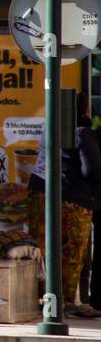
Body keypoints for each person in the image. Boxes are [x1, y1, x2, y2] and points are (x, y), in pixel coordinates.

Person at [27, 107, 101, 320]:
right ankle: (66, 301)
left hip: (39, 191)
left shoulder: (49, 127)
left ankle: (40, 297)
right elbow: (91, 170)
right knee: (71, 251)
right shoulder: (82, 133)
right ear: (85, 109)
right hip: (72, 197)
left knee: (41, 247)